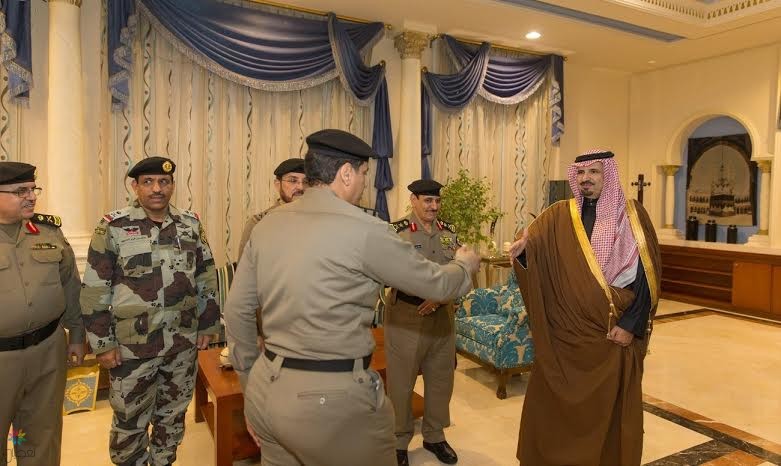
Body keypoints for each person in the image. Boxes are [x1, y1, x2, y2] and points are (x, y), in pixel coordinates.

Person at [224, 129, 481, 466]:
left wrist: (249, 384)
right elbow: (437, 285)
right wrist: (464, 266)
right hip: (333, 402)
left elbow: (237, 310)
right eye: (363, 173)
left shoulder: (267, 225)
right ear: (346, 173)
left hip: (266, 388)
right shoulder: (367, 230)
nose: (363, 183)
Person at [508, 149, 661, 466]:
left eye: (594, 172)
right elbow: (535, 252)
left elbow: (647, 277)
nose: (586, 178)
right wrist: (523, 251)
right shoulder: (559, 215)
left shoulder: (631, 215)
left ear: (608, 175)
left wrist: (631, 325)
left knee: (605, 409)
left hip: (610, 333)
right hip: (564, 337)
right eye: (580, 173)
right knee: (555, 404)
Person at [81, 156, 221, 466]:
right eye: (148, 182)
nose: (157, 188)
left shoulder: (190, 224)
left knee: (172, 416)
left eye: (164, 182)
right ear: (135, 186)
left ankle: (163, 462)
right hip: (132, 348)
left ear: (172, 185)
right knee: (129, 420)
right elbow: (94, 289)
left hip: (181, 342)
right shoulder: (113, 227)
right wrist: (103, 344)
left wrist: (209, 325)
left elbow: (205, 276)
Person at [0, 162, 85, 466]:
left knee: (41, 438)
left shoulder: (47, 231)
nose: (31, 196)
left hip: (48, 352)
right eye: (20, 191)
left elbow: (71, 285)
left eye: (32, 189)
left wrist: (77, 336)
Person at [386, 179, 460, 466]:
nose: (433, 206)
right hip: (407, 316)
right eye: (427, 200)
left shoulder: (449, 232)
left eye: (437, 201)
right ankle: (398, 441)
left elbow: (461, 269)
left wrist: (439, 298)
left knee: (441, 380)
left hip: (442, 315)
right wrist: (428, 293)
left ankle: (434, 436)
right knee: (401, 384)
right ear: (413, 200)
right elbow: (389, 272)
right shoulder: (397, 232)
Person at [237, 157, 306, 260]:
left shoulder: (319, 220)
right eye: (293, 180)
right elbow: (244, 266)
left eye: (306, 181)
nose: (301, 187)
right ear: (278, 185)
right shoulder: (258, 223)